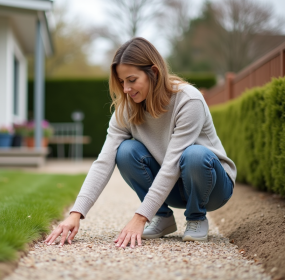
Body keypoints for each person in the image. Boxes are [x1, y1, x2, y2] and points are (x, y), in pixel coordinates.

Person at [44, 37, 236, 249]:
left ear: (154, 72)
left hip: (213, 186)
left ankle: (197, 217)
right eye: (122, 81)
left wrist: (140, 217)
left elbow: (173, 162)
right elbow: (103, 162)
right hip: (176, 188)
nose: (126, 88)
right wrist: (75, 214)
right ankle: (162, 217)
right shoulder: (126, 110)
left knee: (194, 155)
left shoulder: (188, 100)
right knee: (125, 151)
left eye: (132, 80)